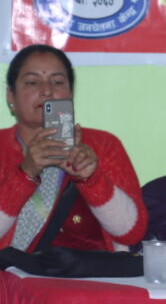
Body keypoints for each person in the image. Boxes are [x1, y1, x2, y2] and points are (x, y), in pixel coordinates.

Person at [0, 44, 147, 251]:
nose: (46, 90)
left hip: (87, 269)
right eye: (32, 82)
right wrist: (26, 173)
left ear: (70, 93)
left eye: (57, 82)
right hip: (10, 270)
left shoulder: (103, 145)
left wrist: (91, 179)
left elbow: (132, 233)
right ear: (11, 96)